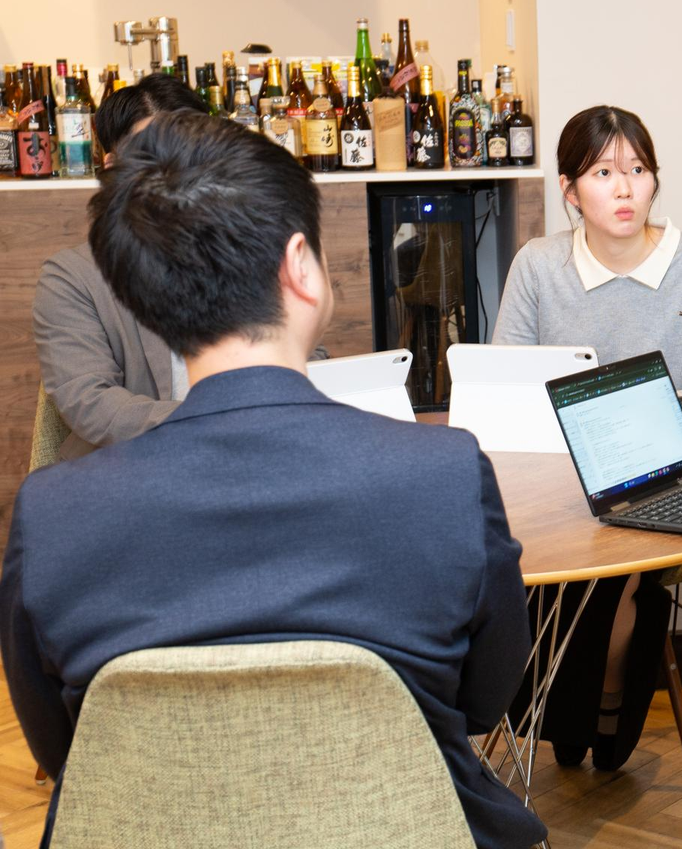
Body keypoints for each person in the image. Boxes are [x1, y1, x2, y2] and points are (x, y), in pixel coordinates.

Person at [1, 112, 544, 849]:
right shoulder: (442, 474)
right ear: (300, 266)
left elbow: (63, 746)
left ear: (143, 297)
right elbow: (485, 701)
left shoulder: (55, 513)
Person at [492, 105, 682, 770]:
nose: (625, 188)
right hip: (556, 472)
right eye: (603, 173)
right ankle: (582, 715)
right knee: (559, 545)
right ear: (570, 190)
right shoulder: (539, 266)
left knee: (616, 564)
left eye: (637, 170)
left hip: (664, 468)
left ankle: (596, 710)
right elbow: (506, 378)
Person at [32, 74, 326, 460]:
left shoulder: (244, 242)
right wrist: (224, 422)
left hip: (260, 453)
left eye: (192, 151)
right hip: (133, 468)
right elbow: (91, 404)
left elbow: (305, 353)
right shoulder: (72, 276)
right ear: (112, 169)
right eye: (153, 156)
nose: (177, 170)